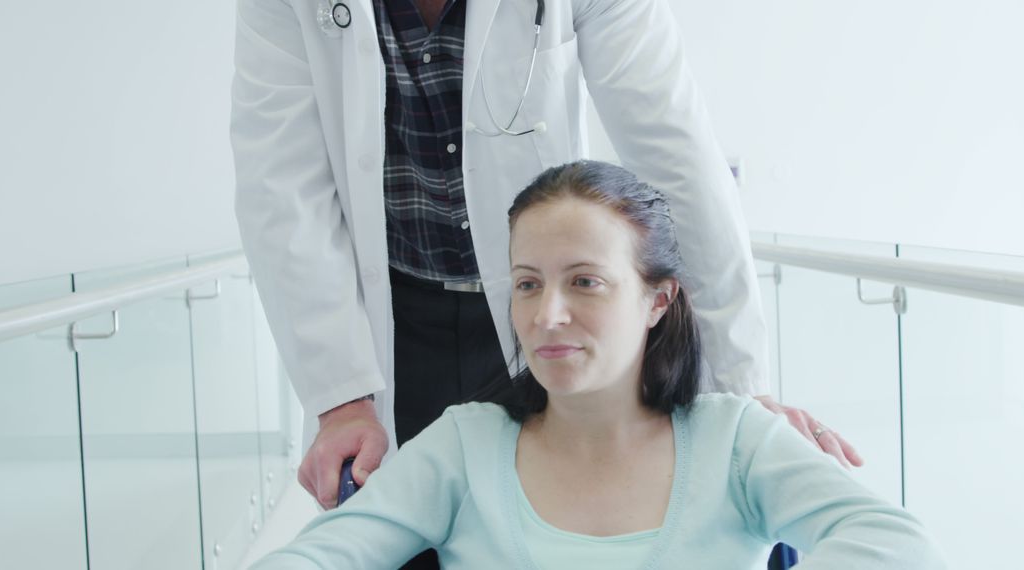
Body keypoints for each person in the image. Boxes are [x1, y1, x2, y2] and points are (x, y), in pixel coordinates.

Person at [230, 0, 861, 533]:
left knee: (563, 530)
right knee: (411, 535)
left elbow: (676, 151)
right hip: (397, 321)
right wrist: (341, 398)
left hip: (540, 311)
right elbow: (281, 185)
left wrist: (742, 391)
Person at [249, 161, 944, 569]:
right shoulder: (467, 445)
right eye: (527, 283)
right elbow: (315, 559)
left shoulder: (734, 439)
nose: (546, 314)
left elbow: (897, 544)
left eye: (584, 281)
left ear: (656, 299)